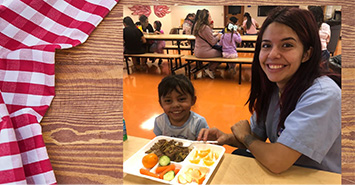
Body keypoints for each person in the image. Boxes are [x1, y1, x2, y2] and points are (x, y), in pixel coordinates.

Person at [198, 7, 341, 174]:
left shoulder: (323, 94)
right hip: (285, 173)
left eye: (287, 45)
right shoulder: (275, 86)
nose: (272, 54)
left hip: (317, 177)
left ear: (306, 54)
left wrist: (244, 136)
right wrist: (226, 138)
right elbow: (256, 135)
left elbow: (276, 161)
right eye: (266, 45)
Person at [154, 74, 209, 140]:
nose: (175, 105)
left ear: (193, 100)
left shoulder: (198, 123)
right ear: (161, 103)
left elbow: (203, 146)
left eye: (181, 99)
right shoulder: (159, 122)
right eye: (168, 100)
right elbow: (159, 142)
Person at [193, 9, 222, 79]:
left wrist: (215, 35)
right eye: (210, 16)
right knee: (223, 54)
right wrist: (218, 37)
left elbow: (206, 37)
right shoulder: (205, 27)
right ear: (206, 17)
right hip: (204, 52)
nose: (211, 18)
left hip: (197, 51)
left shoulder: (197, 25)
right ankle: (209, 69)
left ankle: (207, 68)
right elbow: (212, 42)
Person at [308, 6, 331, 70]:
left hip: (312, 52)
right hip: (323, 51)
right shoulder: (326, 26)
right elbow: (328, 40)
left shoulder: (309, 26)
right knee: (324, 71)